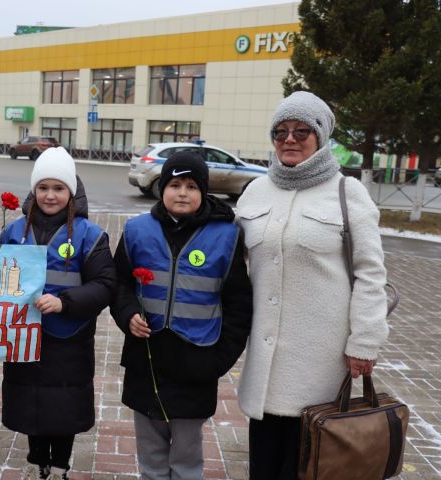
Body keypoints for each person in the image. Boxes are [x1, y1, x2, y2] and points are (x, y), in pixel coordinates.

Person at [235, 91, 389, 480]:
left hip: (320, 356)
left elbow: (371, 273)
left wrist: (365, 341)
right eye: (281, 131)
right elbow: (233, 264)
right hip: (265, 361)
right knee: (264, 461)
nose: (290, 139)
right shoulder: (255, 191)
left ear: (320, 137)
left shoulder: (347, 193)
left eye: (302, 130)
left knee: (311, 462)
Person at [110, 151, 253, 480]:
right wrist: (128, 314)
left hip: (197, 362)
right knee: (150, 452)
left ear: (204, 191)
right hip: (146, 360)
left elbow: (239, 301)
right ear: (162, 189)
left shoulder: (226, 236)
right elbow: (119, 284)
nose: (182, 192)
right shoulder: (137, 231)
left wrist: (221, 358)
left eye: (191, 185)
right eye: (174, 184)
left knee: (186, 455)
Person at [0, 147, 115, 480]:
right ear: (34, 190)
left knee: (64, 409)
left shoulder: (89, 236)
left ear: (72, 193)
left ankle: (61, 464)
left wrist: (65, 302)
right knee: (30, 406)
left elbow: (105, 284)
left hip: (68, 341)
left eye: (59, 188)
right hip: (23, 339)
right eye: (43, 187)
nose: (50, 195)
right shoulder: (13, 232)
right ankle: (38, 463)